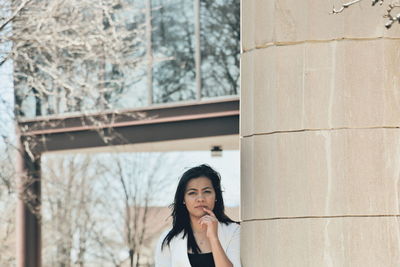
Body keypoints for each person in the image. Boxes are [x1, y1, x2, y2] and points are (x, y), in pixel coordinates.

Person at [155, 164, 241, 267]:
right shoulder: (168, 240)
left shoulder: (233, 231)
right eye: (192, 193)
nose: (200, 198)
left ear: (216, 196)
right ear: (183, 199)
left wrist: (214, 238)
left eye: (207, 191)